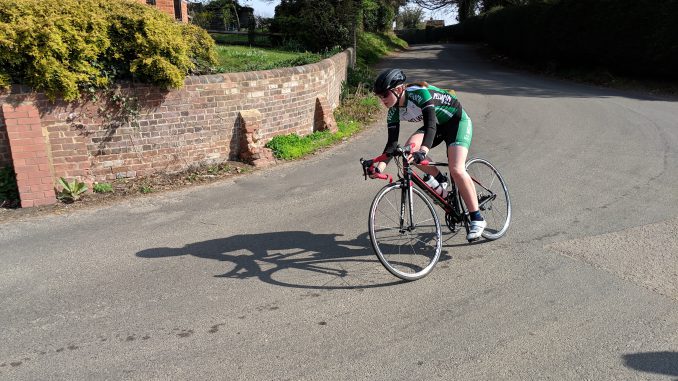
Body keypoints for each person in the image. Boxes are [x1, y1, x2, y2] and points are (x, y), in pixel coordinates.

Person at [368, 68, 486, 240]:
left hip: (456, 122)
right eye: (379, 96)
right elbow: (392, 146)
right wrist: (378, 167)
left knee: (457, 168)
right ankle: (441, 180)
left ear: (399, 89)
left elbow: (430, 125)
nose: (382, 99)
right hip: (438, 126)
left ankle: (477, 218)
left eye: (385, 94)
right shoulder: (393, 110)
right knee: (408, 151)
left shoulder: (419, 94)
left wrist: (423, 151)